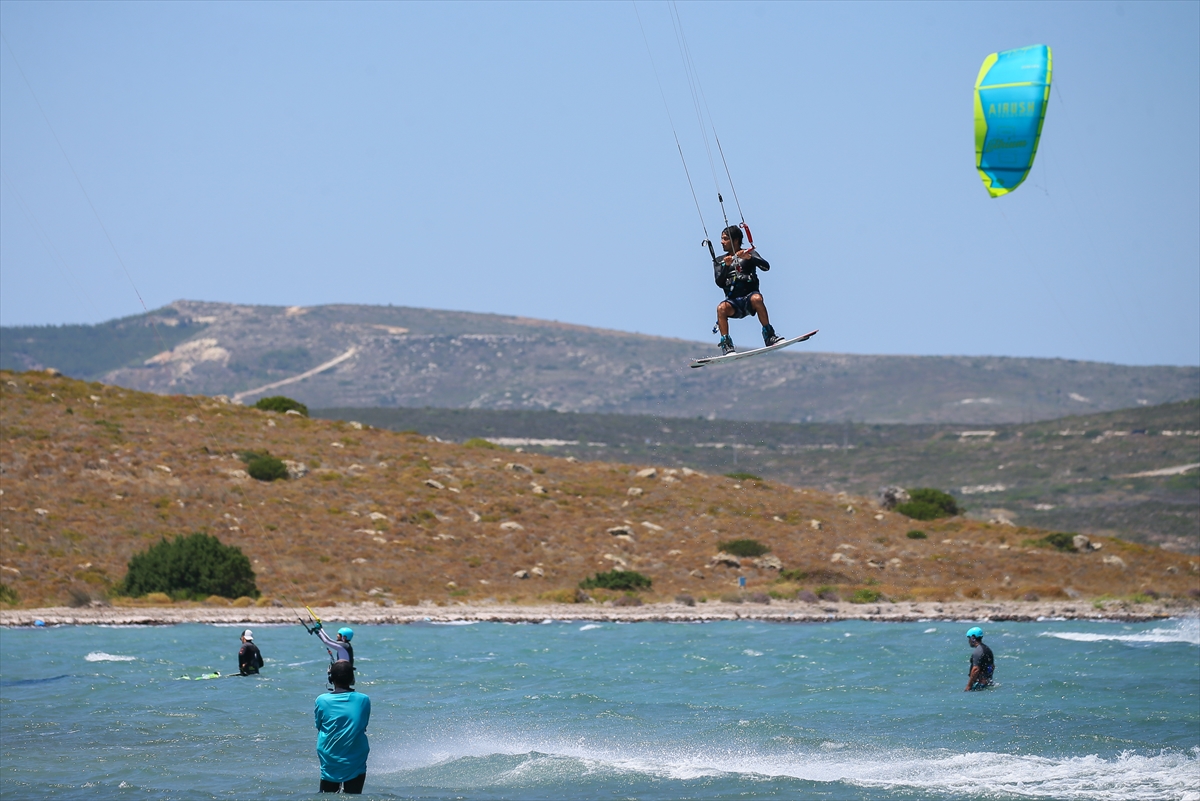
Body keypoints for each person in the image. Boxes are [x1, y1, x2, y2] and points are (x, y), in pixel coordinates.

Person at [712, 225, 783, 355]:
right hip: (733, 303)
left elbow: (766, 267)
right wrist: (726, 267)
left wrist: (750, 258)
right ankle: (727, 345)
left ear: (736, 240)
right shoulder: (720, 260)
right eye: (722, 239)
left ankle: (769, 336)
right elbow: (719, 282)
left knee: (757, 298)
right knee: (721, 308)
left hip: (749, 299)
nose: (722, 242)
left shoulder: (749, 253)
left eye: (725, 239)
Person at [315, 660, 370, 794]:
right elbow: (363, 725)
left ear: (330, 679)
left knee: (327, 796)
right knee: (353, 796)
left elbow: (319, 725)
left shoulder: (322, 700)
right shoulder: (363, 700)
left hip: (330, 757)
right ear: (352, 679)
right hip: (355, 759)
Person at [965, 626, 995, 691]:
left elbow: (975, 669)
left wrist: (969, 686)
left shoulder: (978, 651)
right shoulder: (987, 649)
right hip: (987, 683)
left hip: (980, 685)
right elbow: (992, 666)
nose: (968, 641)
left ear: (973, 638)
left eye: (969, 638)